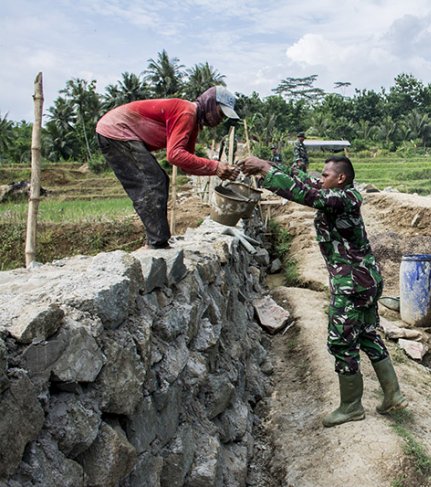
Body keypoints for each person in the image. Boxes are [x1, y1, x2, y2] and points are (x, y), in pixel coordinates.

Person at [240, 154, 407, 427]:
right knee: (366, 334)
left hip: (352, 284)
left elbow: (308, 195)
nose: (320, 178)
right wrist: (268, 166)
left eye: (326, 175)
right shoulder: (339, 192)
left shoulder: (342, 199)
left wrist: (265, 170)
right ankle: (393, 395)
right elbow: (306, 181)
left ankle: (351, 406)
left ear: (340, 178)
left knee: (341, 342)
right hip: (364, 281)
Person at [96, 86, 240, 249]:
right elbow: (174, 155)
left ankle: (158, 240)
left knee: (157, 180)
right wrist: (215, 166)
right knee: (154, 182)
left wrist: (218, 170)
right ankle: (157, 243)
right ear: (210, 104)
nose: (220, 120)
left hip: (118, 131)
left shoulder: (192, 122)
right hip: (116, 131)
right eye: (220, 113)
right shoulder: (187, 112)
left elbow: (186, 165)